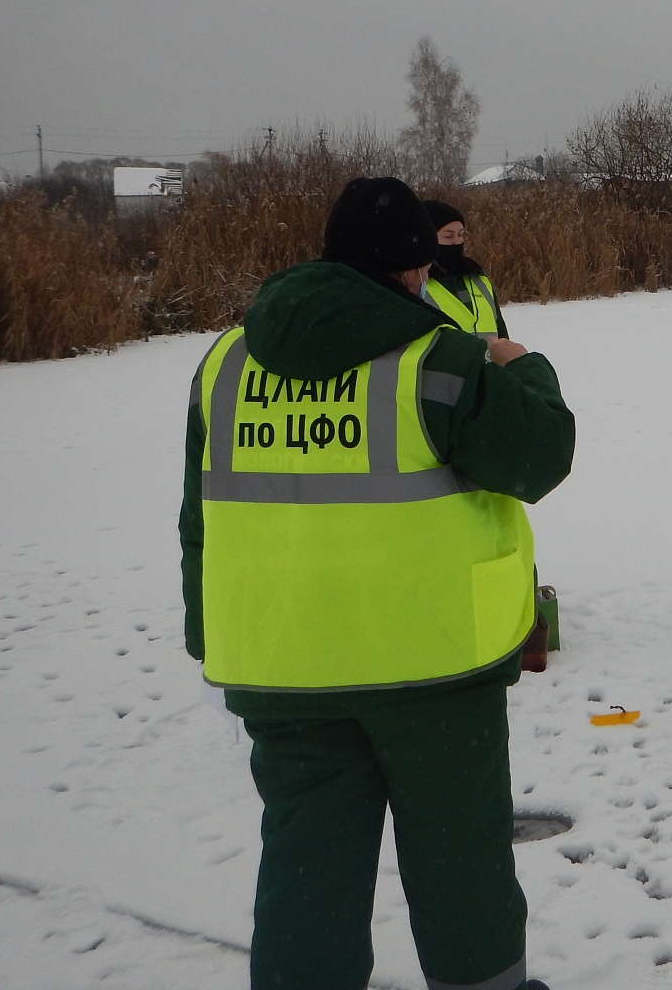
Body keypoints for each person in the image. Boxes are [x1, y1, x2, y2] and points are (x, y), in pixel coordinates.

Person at [179, 176, 573, 990]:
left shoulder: (223, 364)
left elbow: (199, 521)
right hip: (432, 667)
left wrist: (205, 635)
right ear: (414, 268)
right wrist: (528, 370)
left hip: (281, 664)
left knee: (307, 867)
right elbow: (539, 458)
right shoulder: (440, 362)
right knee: (459, 857)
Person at [421, 201, 507, 340]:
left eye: (460, 235)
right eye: (448, 236)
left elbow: (501, 334)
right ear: (427, 238)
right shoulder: (415, 284)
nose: (457, 242)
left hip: (490, 355)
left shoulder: (478, 278)